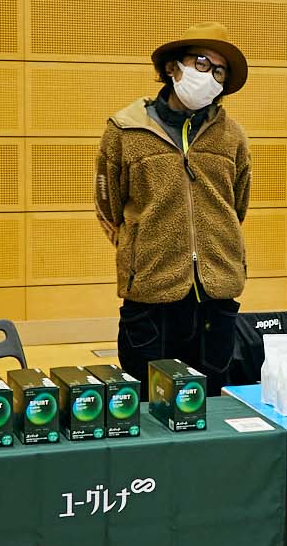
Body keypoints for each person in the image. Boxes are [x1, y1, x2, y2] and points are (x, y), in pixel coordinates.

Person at [96, 22, 252, 391]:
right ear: (172, 67)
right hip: (150, 295)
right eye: (202, 63)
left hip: (216, 296)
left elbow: (237, 205)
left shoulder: (232, 136)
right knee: (147, 403)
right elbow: (109, 206)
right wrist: (141, 245)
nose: (210, 77)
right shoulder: (124, 130)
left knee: (210, 401)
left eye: (219, 71)